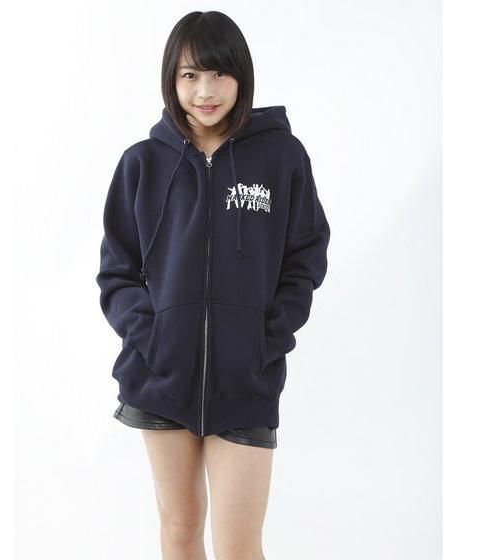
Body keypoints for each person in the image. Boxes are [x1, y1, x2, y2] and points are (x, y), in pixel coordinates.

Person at [95, 10, 330, 560]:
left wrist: (268, 338)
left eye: (220, 73)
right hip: (161, 377)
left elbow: (305, 256)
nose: (205, 91)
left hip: (246, 379)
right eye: (190, 75)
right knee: (180, 531)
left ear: (242, 75)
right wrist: (151, 338)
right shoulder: (142, 164)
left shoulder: (281, 158)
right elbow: (117, 270)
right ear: (171, 80)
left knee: (239, 545)